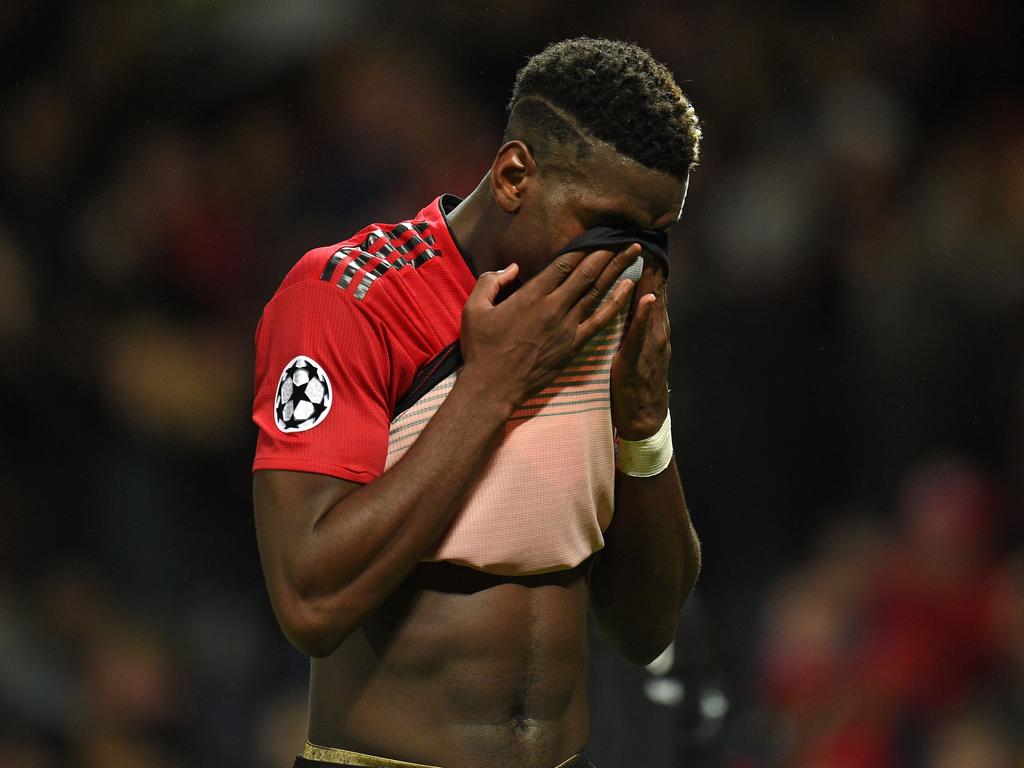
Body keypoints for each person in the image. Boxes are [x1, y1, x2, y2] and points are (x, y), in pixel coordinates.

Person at [251, 37, 703, 768]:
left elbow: (646, 629)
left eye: (657, 236)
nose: (632, 261)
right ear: (516, 175)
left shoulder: (608, 320)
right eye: (608, 225)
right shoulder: (348, 298)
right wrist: (491, 386)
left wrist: (645, 427)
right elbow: (310, 601)